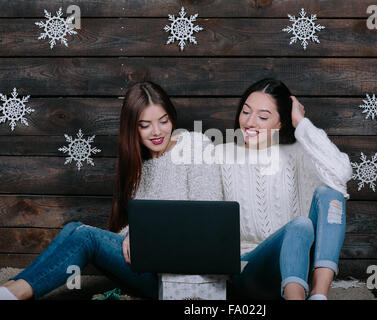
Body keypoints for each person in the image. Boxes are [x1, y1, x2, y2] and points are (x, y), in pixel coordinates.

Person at [0, 81, 222, 300]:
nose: (157, 132)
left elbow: (205, 216)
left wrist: (144, 234)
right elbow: (131, 231)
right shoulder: (140, 166)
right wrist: (135, 235)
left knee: (84, 235)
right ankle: (11, 289)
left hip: (182, 275)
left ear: (171, 117)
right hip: (148, 261)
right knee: (73, 229)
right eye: (145, 125)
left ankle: (12, 293)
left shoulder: (194, 145)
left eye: (163, 121)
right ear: (132, 128)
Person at [215, 78, 353, 300]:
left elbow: (341, 172)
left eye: (262, 117)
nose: (250, 122)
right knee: (299, 226)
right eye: (246, 112)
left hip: (297, 265)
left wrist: (302, 124)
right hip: (249, 268)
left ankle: (319, 294)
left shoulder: (299, 153)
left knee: (330, 194)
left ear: (280, 124)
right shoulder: (221, 155)